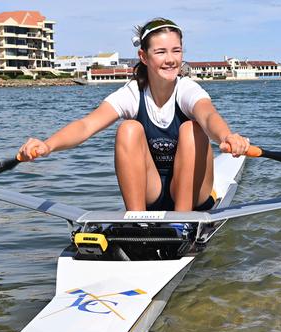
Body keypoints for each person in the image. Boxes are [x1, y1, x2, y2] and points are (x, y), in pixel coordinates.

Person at [18, 18, 249, 211]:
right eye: (160, 52)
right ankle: (137, 222)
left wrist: (226, 136)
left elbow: (208, 115)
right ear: (144, 56)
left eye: (176, 50)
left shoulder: (187, 89)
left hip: (193, 196)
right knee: (128, 128)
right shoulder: (132, 93)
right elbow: (86, 126)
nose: (170, 59)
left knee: (192, 128)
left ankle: (183, 222)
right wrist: (47, 145)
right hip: (152, 191)